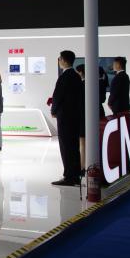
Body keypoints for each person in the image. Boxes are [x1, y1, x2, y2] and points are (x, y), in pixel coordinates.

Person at [51, 50, 85, 187]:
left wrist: (53, 110)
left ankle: (69, 176)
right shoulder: (76, 76)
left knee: (66, 146)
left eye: (59, 59)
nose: (59, 61)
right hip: (74, 117)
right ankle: (75, 175)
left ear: (64, 60)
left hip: (65, 117)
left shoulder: (64, 77)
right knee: (73, 146)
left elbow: (58, 96)